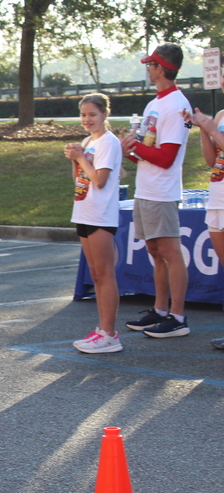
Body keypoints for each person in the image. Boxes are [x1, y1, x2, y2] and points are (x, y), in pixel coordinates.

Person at [121, 43, 192, 338]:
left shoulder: (176, 104)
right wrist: (130, 151)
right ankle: (160, 309)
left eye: (149, 65)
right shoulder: (154, 104)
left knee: (170, 252)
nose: (147, 69)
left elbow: (166, 158)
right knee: (154, 250)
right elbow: (147, 151)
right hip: (146, 189)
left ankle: (177, 317)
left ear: (160, 68)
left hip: (162, 191)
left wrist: (136, 147)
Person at [65, 93, 124, 353]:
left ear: (104, 115)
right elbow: (81, 179)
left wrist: (80, 158)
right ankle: (102, 330)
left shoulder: (109, 142)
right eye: (83, 115)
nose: (87, 119)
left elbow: (99, 180)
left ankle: (110, 334)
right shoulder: (89, 141)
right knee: (96, 275)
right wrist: (75, 160)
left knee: (105, 273)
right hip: (84, 211)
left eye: (92, 114)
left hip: (101, 214)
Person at [183, 103, 224, 349]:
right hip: (217, 195)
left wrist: (212, 129)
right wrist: (202, 129)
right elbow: (212, 160)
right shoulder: (220, 115)